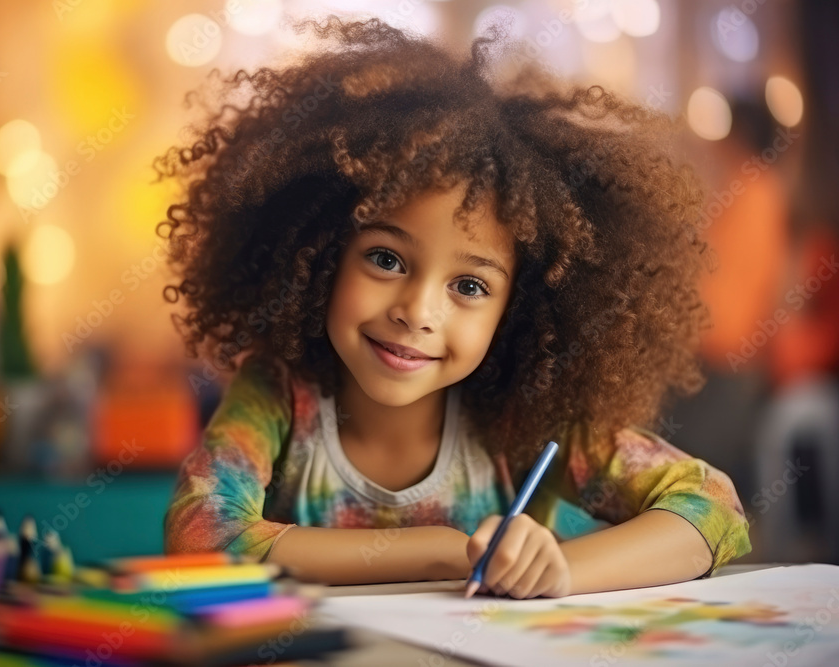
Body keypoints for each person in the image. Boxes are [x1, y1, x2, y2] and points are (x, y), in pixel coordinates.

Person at [158, 16, 752, 598]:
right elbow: (203, 534)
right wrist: (445, 550)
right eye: (387, 260)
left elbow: (713, 509)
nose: (417, 311)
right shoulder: (280, 393)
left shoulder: (524, 419)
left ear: (515, 310)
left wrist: (563, 570)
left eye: (469, 287)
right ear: (320, 253)